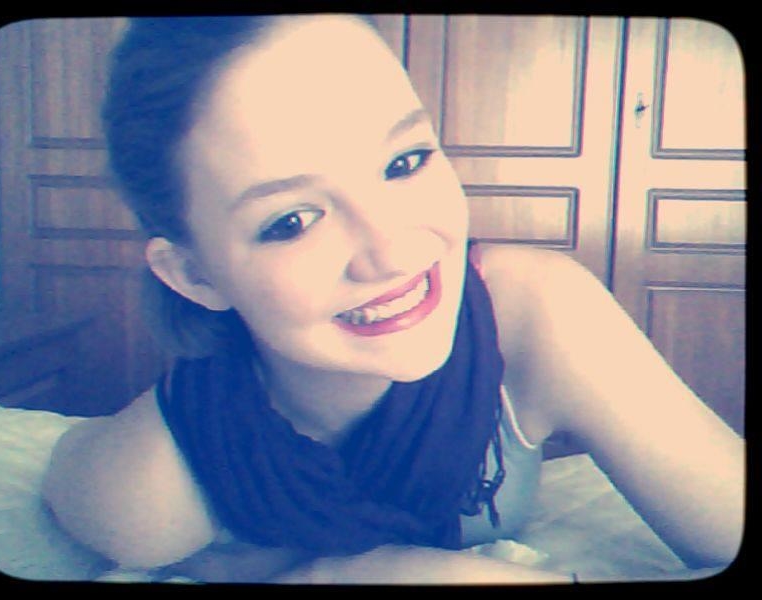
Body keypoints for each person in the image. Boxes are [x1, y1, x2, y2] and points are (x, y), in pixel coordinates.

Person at [41, 15, 744, 584]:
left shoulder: (534, 310)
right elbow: (68, 477)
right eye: (292, 221)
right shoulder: (149, 494)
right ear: (196, 276)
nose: (396, 250)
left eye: (404, 162)